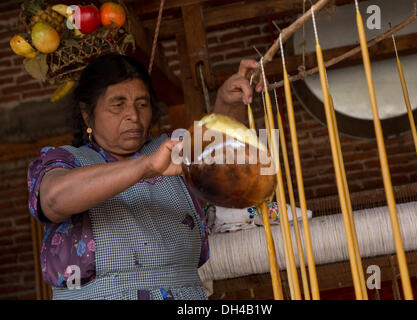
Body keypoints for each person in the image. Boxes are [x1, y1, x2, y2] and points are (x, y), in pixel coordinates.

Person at [27, 53, 263, 300]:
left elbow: (221, 156)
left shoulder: (169, 148)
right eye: (118, 105)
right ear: (87, 114)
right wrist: (146, 167)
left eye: (142, 104)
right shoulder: (65, 161)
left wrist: (228, 102)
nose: (133, 115)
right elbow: (53, 199)